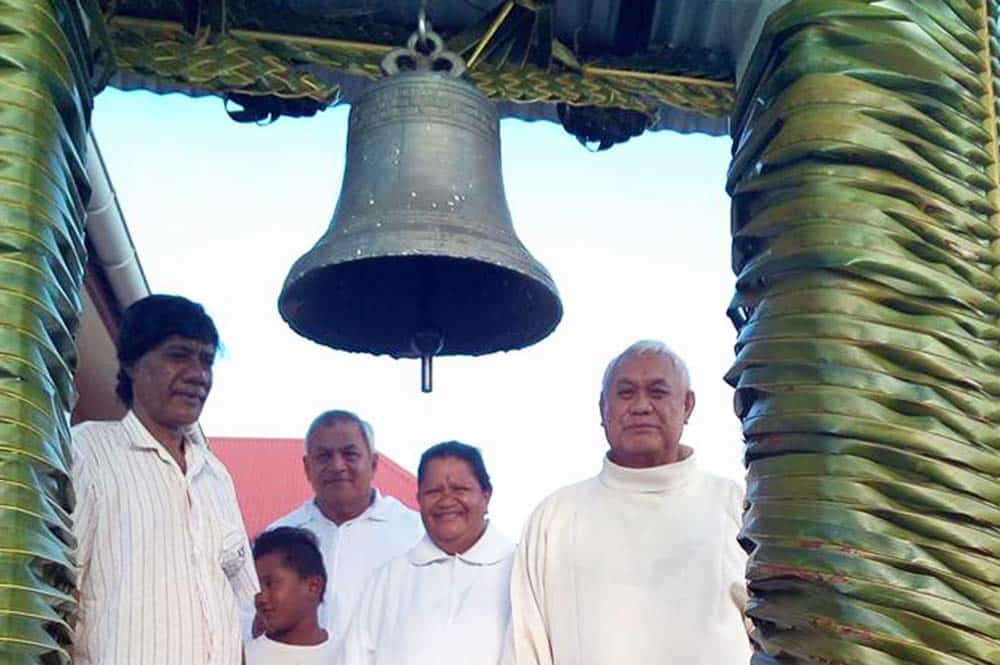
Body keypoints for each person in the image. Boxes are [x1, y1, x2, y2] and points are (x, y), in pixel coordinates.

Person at [502, 340, 750, 665]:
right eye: (626, 393)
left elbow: (779, 634)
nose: (641, 406)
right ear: (602, 408)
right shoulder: (554, 519)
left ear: (687, 405)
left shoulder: (738, 507)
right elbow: (526, 648)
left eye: (658, 392)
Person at [71, 294, 258, 665]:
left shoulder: (216, 476)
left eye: (206, 360)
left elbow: (239, 604)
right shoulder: (87, 451)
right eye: (178, 355)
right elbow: (60, 591)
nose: (197, 374)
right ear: (130, 365)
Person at [341, 441, 514, 665]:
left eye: (460, 489)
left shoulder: (519, 572)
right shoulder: (388, 580)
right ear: (419, 500)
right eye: (433, 491)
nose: (446, 501)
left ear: (486, 495)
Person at [266, 410, 423, 648]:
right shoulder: (279, 538)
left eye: (350, 454)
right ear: (307, 467)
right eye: (324, 456)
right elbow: (251, 620)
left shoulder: (415, 533)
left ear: (373, 463)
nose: (338, 466)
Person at [246, 527, 336, 664]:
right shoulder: (242, 658)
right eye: (257, 587)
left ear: (313, 587)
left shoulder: (347, 654)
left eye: (270, 584)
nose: (261, 598)